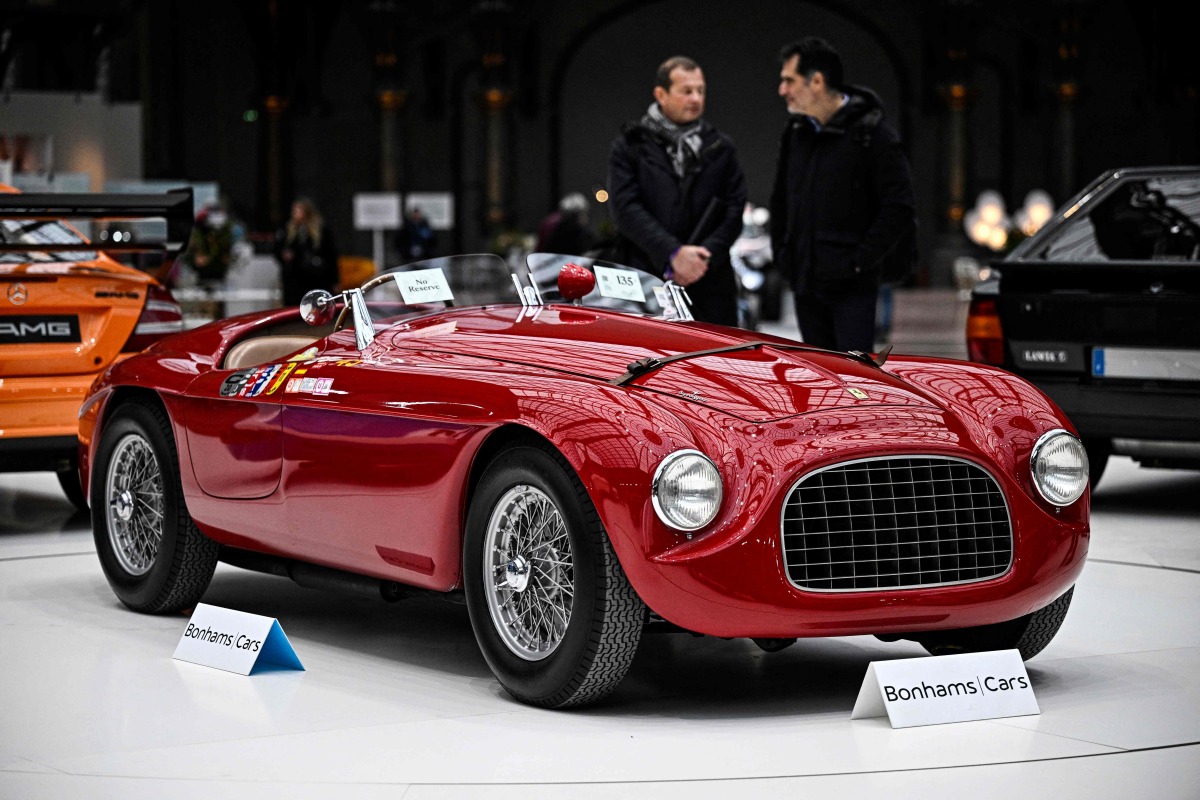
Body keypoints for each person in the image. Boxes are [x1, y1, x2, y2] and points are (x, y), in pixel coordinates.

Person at [770, 36, 916, 352]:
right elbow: (781, 199)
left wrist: (858, 262)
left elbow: (899, 206)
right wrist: (784, 255)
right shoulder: (797, 132)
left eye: (789, 80)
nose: (782, 90)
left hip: (852, 288)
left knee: (853, 373)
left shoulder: (872, 133)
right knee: (819, 372)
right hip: (806, 283)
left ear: (817, 81)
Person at [608, 55, 747, 326]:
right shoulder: (630, 145)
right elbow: (626, 209)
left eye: (701, 91)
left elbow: (734, 209)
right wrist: (672, 253)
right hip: (647, 276)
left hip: (710, 280)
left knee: (719, 351)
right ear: (661, 94)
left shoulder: (721, 147)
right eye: (687, 91)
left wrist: (702, 258)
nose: (696, 98)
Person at [274, 196, 339, 306]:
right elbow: (278, 249)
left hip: (317, 278)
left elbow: (331, 255)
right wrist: (284, 256)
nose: (295, 214)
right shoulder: (287, 230)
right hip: (294, 279)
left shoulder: (321, 230)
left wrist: (335, 280)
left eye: (298, 210)